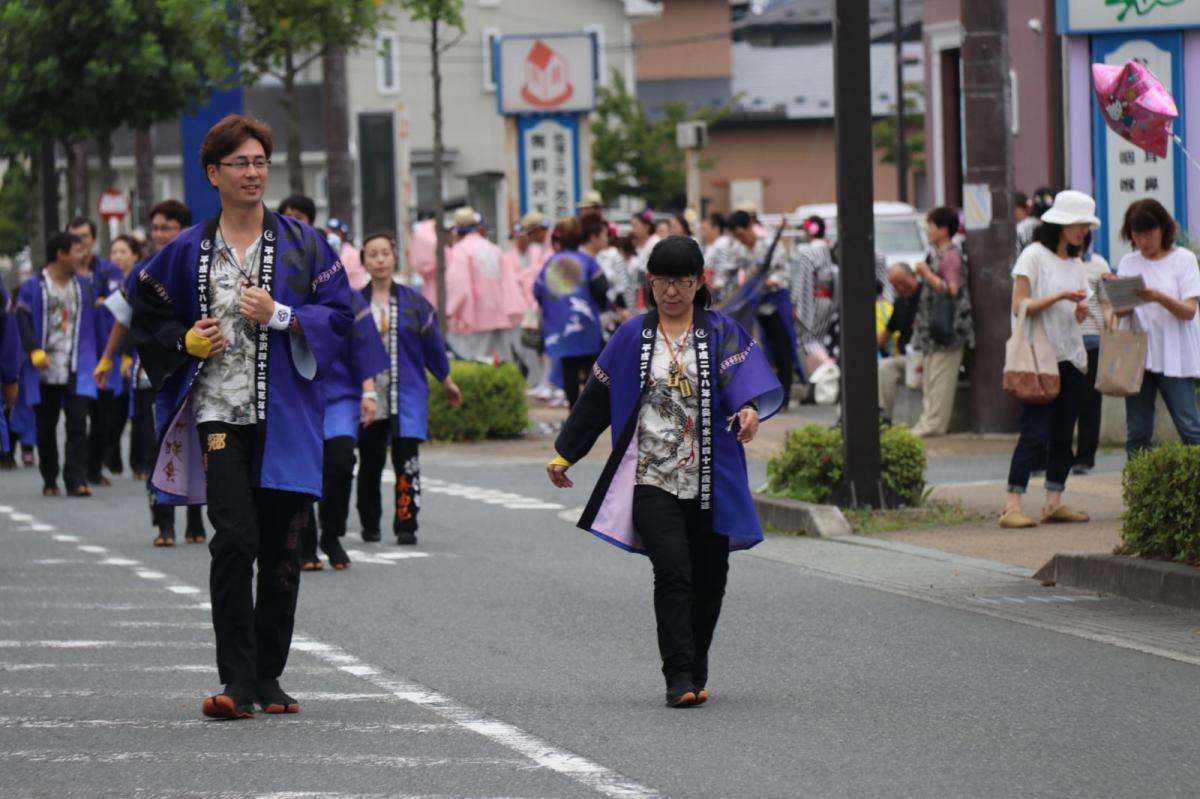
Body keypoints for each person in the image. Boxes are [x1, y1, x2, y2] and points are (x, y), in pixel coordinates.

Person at [130, 114, 355, 720]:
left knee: (282, 548)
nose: (253, 172)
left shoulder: (307, 245)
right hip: (218, 413)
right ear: (214, 174)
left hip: (287, 417)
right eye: (241, 163)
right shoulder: (185, 251)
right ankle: (234, 678)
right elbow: (144, 311)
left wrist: (282, 314)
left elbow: (342, 316)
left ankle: (267, 675)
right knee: (235, 539)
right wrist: (185, 343)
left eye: (260, 162)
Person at [546, 236, 783, 708]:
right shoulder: (632, 335)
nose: (671, 291)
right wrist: (565, 453)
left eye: (681, 281)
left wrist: (752, 410)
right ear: (649, 283)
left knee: (711, 577)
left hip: (710, 478)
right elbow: (596, 398)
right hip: (650, 477)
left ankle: (696, 666)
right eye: (662, 281)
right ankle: (678, 677)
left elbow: (748, 384)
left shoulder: (722, 332)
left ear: (698, 283)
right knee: (673, 571)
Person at [96, 199, 207, 545]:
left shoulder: (200, 264)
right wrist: (107, 358)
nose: (159, 234)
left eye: (167, 228)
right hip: (151, 373)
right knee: (160, 444)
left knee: (197, 443)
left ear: (184, 230)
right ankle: (164, 524)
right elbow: (123, 318)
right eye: (155, 228)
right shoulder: (141, 271)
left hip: (196, 369)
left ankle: (195, 519)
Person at [357, 232, 462, 546]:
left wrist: (446, 380)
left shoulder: (415, 303)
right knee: (371, 462)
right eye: (372, 254)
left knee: (407, 462)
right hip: (370, 397)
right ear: (363, 260)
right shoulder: (353, 303)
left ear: (394, 258)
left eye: (385, 254)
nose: (379, 260)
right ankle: (369, 524)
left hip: (407, 393)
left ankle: (406, 524)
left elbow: (433, 347)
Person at [1000, 190, 1096, 529]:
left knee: (1062, 434)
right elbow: (1019, 305)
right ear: (1062, 224)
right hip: (1040, 359)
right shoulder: (1033, 256)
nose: (1084, 231)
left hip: (1072, 355)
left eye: (1086, 226)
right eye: (1079, 225)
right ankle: (1012, 504)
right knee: (1034, 433)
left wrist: (1078, 309)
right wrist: (1060, 297)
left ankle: (1053, 501)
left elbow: (1073, 312)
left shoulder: (1075, 262)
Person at [301, 239, 389, 570]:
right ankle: (306, 541)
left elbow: (363, 346)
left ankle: (331, 534)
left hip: (340, 397)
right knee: (303, 470)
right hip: (299, 397)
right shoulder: (286, 297)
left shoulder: (348, 299)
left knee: (340, 463)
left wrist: (369, 394)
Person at [1113, 198, 1200, 454]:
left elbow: (1189, 310)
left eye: (1148, 233)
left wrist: (1158, 297)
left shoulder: (1183, 259)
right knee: (1137, 432)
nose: (1143, 241)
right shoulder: (1129, 262)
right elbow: (1121, 313)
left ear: (1163, 229)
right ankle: (1140, 492)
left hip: (1175, 354)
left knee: (1190, 427)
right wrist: (1117, 294)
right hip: (1138, 356)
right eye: (1136, 234)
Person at [16, 232, 99, 496]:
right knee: (46, 424)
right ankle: (50, 478)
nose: (82, 255)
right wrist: (33, 350)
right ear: (61, 254)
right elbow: (22, 318)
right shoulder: (33, 286)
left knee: (77, 422)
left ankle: (75, 479)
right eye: (77, 250)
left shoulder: (84, 286)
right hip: (45, 367)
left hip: (77, 364)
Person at [67, 217, 124, 487]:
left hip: (104, 354)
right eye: (74, 237)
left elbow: (117, 305)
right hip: (73, 358)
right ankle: (74, 474)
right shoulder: (61, 274)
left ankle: (93, 468)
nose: (80, 242)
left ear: (93, 238)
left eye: (84, 236)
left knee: (104, 420)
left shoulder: (108, 270)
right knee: (76, 419)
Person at [908, 207, 974, 437]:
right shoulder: (937, 253)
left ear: (944, 230)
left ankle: (934, 423)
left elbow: (952, 289)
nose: (928, 230)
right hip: (933, 331)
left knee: (940, 379)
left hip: (947, 331)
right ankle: (927, 420)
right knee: (930, 378)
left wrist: (926, 274)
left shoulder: (951, 255)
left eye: (932, 226)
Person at [727, 210, 800, 410]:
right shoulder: (741, 251)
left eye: (742, 235)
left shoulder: (769, 245)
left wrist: (766, 282)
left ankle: (784, 397)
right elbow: (732, 273)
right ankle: (768, 396)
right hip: (757, 307)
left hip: (776, 302)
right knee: (764, 352)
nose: (741, 240)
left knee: (783, 349)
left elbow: (784, 275)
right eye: (737, 237)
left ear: (750, 226)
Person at [534, 217, 609, 408]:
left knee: (569, 368)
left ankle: (572, 410)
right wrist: (601, 307)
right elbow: (601, 288)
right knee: (593, 369)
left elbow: (537, 290)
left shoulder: (550, 263)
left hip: (560, 327)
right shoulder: (587, 262)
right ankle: (591, 410)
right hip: (586, 325)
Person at [445, 206, 525, 362]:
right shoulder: (494, 249)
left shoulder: (461, 251)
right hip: (499, 315)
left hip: (474, 317)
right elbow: (509, 284)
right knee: (499, 363)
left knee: (476, 363)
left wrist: (450, 310)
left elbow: (459, 287)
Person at [1069, 232, 1111, 475]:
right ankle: (1059, 456)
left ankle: (1085, 458)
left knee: (1090, 403)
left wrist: (1111, 331)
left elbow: (1107, 303)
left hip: (1092, 340)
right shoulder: (1057, 263)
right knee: (1064, 402)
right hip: (1063, 343)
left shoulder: (1099, 264)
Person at [106, 234, 143, 477]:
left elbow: (134, 321)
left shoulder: (141, 278)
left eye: (123, 251)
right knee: (113, 411)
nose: (118, 257)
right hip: (112, 353)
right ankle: (112, 458)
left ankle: (138, 463)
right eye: (114, 252)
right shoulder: (108, 280)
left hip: (137, 355)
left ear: (135, 255)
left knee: (138, 412)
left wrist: (129, 353)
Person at [877, 262, 922, 420]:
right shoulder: (900, 302)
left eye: (902, 283)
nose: (900, 288)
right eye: (895, 286)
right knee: (884, 367)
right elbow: (887, 331)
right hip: (907, 357)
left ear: (913, 276)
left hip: (926, 353)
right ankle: (884, 416)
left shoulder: (926, 296)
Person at [702, 213, 738, 303]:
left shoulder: (722, 243)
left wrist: (718, 284)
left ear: (716, 229)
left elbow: (723, 267)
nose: (703, 232)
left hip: (720, 291)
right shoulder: (710, 245)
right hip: (711, 287)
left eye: (705, 228)